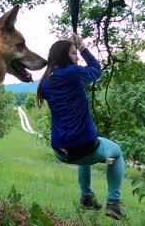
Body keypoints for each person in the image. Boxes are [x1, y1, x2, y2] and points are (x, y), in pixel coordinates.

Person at [36, 34, 126, 220]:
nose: (76, 58)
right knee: (116, 153)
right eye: (73, 54)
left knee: (84, 154)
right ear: (64, 56)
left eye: (77, 53)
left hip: (62, 152)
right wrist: (83, 47)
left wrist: (75, 50)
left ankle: (86, 197)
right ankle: (113, 203)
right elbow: (96, 70)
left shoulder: (46, 82)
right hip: (86, 148)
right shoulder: (72, 73)